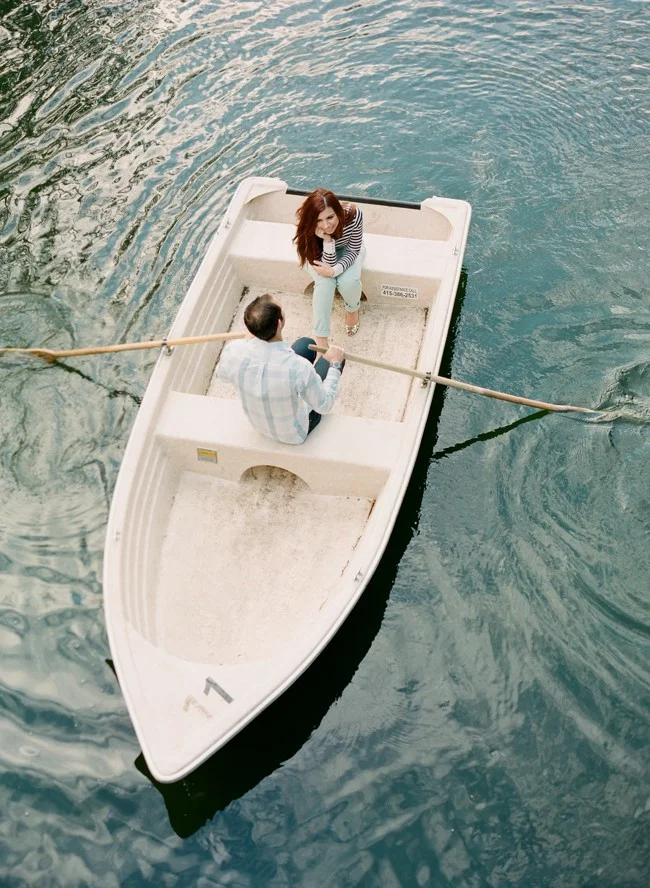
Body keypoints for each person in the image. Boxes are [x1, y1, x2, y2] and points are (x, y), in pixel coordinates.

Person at [215, 294, 345, 445]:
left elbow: (221, 375)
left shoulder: (234, 351)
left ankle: (302, 388)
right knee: (334, 360)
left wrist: (247, 340)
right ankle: (322, 375)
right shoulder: (299, 367)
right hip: (294, 434)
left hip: (259, 425)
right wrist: (335, 364)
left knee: (305, 344)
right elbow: (324, 406)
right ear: (279, 324)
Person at [293, 188, 366, 352]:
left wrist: (334, 271)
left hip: (349, 250)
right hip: (317, 255)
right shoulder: (309, 229)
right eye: (319, 220)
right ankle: (321, 338)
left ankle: (353, 310)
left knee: (349, 281)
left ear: (338, 211)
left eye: (330, 217)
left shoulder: (353, 215)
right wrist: (327, 240)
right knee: (325, 283)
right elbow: (325, 262)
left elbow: (354, 249)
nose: (326, 225)